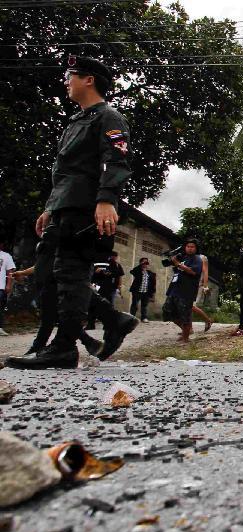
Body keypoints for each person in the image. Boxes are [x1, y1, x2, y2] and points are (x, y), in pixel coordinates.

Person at [6, 55, 138, 369]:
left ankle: (65, 346)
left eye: (71, 75)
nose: (66, 81)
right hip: (64, 206)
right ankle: (111, 318)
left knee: (69, 273)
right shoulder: (75, 122)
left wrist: (106, 200)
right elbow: (64, 171)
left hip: (85, 207)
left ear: (88, 79)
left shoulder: (109, 117)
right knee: (49, 274)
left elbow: (117, 160)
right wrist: (50, 207)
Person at [162, 239, 202, 342]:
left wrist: (178, 264)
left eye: (192, 247)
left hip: (186, 291)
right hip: (174, 289)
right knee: (168, 311)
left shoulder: (197, 259)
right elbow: (167, 264)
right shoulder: (182, 257)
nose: (189, 248)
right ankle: (186, 331)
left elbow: (193, 272)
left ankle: (185, 337)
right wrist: (172, 258)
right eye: (188, 246)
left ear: (196, 248)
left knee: (185, 315)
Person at [86, 251, 124, 329]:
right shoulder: (96, 261)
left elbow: (117, 275)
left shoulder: (115, 264)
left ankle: (108, 324)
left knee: (108, 305)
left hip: (109, 287)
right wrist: (96, 272)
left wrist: (119, 287)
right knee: (93, 304)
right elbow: (90, 272)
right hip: (96, 286)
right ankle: (91, 324)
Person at [128, 257, 156, 322]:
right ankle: (132, 317)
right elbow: (132, 271)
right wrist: (140, 265)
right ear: (141, 263)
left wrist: (152, 293)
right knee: (134, 305)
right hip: (137, 291)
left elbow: (153, 284)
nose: (145, 264)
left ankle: (144, 318)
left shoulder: (150, 273)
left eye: (146, 262)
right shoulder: (137, 271)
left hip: (146, 292)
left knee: (144, 305)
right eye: (144, 262)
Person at [192, 253, 214, 332]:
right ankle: (188, 329)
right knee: (187, 306)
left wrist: (205, 286)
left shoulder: (202, 257)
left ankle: (207, 320)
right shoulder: (187, 256)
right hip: (188, 284)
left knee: (191, 306)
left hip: (198, 285)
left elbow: (205, 271)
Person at [0, 241, 15, 336]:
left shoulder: (6, 256)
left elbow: (10, 271)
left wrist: (9, 284)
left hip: (0, 287)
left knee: (0, 308)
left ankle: (0, 328)